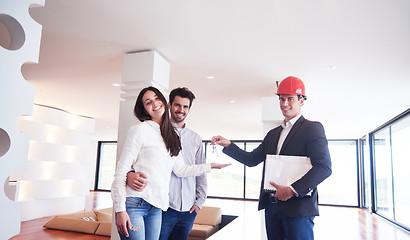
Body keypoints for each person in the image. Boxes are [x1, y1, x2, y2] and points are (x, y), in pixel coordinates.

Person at [211, 76, 332, 240]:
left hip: (298, 208)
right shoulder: (273, 134)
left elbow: (324, 167)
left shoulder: (312, 128)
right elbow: (252, 159)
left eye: (290, 99)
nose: (284, 103)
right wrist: (228, 145)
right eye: (281, 99)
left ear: (301, 100)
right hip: (272, 207)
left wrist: (292, 190)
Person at [111, 86, 229, 240]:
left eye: (156, 98)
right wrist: (120, 210)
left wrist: (210, 166)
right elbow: (121, 172)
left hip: (157, 207)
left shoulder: (171, 136)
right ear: (145, 109)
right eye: (148, 102)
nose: (154, 103)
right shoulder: (139, 130)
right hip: (135, 204)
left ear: (162, 101)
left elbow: (180, 170)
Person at [127, 87, 207, 240]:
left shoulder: (196, 138)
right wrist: (129, 174)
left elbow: (200, 172)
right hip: (162, 206)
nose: (181, 110)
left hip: (189, 209)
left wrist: (199, 201)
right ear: (169, 105)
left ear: (189, 109)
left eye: (185, 107)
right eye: (177, 105)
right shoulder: (154, 131)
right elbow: (134, 161)